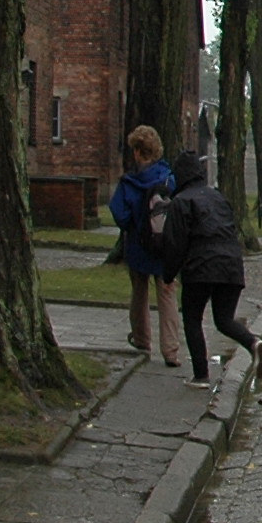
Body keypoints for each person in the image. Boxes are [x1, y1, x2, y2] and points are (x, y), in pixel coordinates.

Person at [162, 149, 262, 387]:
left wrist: (168, 273)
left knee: (193, 318)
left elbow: (175, 243)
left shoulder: (181, 202)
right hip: (231, 265)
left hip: (200, 267)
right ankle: (253, 344)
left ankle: (201, 375)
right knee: (224, 319)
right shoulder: (219, 197)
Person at [109, 126, 181, 367]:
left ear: (138, 152)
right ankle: (170, 350)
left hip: (139, 246)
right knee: (168, 295)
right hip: (165, 247)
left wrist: (135, 226)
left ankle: (142, 339)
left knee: (139, 293)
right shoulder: (169, 178)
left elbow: (118, 212)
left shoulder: (130, 182)